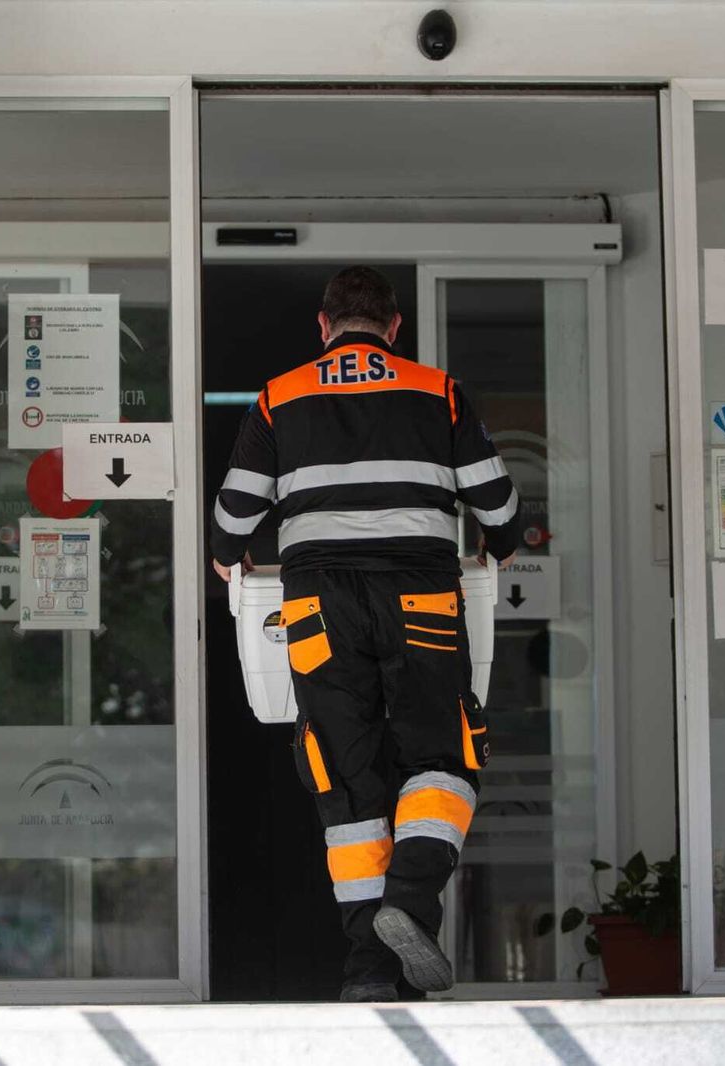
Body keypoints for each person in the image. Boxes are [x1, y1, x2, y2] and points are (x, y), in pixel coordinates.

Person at [210, 266, 523, 1002]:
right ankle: (409, 900)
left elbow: (234, 512)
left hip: (318, 604)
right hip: (421, 594)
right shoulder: (437, 391)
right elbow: (498, 503)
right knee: (441, 755)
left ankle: (369, 971)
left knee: (345, 774)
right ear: (394, 327)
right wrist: (502, 544)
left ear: (323, 327)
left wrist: (229, 557)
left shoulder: (280, 396)